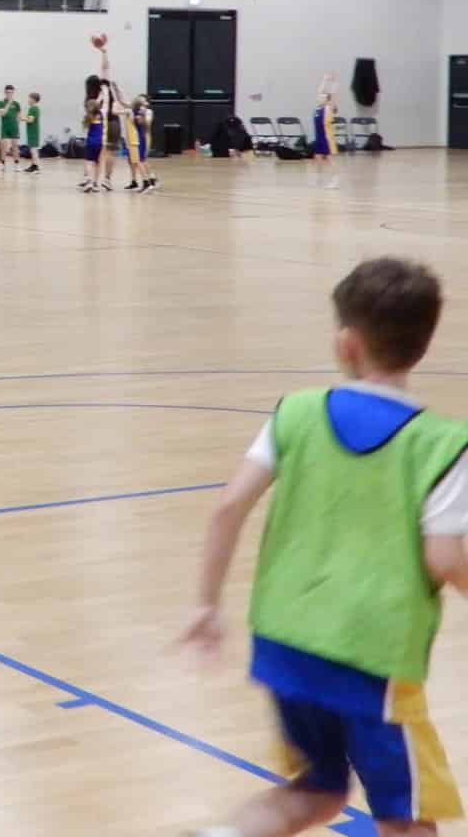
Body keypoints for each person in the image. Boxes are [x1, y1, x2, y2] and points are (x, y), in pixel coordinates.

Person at [179, 257, 468, 837]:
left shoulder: (296, 411)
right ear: (423, 344)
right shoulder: (442, 444)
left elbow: (228, 507)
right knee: (407, 818)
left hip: (284, 641)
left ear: (346, 343)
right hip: (373, 658)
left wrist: (207, 604)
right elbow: (443, 557)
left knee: (316, 791)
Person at [312, 73, 341, 191]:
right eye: (320, 96)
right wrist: (324, 80)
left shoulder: (328, 108)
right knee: (318, 158)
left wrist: (334, 83)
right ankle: (319, 179)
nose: (320, 97)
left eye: (323, 96)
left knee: (329, 159)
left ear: (327, 99)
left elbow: (333, 95)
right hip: (318, 138)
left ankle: (335, 180)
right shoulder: (318, 108)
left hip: (327, 138)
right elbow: (319, 91)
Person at [133, 93, 158, 194]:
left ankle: (151, 179)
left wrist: (142, 116)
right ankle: (151, 178)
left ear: (147, 102)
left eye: (142, 99)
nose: (140, 101)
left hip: (146, 136)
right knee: (142, 159)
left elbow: (147, 124)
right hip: (138, 136)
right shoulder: (137, 110)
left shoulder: (148, 112)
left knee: (143, 158)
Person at [0, 85, 22, 173]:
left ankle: (17, 165)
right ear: (5, 92)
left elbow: (19, 116)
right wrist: (9, 103)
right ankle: (3, 165)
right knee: (4, 146)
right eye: (7, 92)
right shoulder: (1, 102)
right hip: (5, 128)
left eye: (11, 92)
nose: (9, 94)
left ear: (13, 93)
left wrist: (17, 126)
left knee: (15, 146)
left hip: (14, 128)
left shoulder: (17, 104)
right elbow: (3, 113)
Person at [23, 92, 42, 174]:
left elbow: (30, 120)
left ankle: (36, 167)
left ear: (33, 100)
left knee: (33, 150)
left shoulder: (33, 108)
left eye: (29, 98)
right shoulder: (34, 108)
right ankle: (33, 165)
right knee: (32, 150)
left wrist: (21, 118)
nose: (28, 100)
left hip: (33, 132)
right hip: (32, 131)